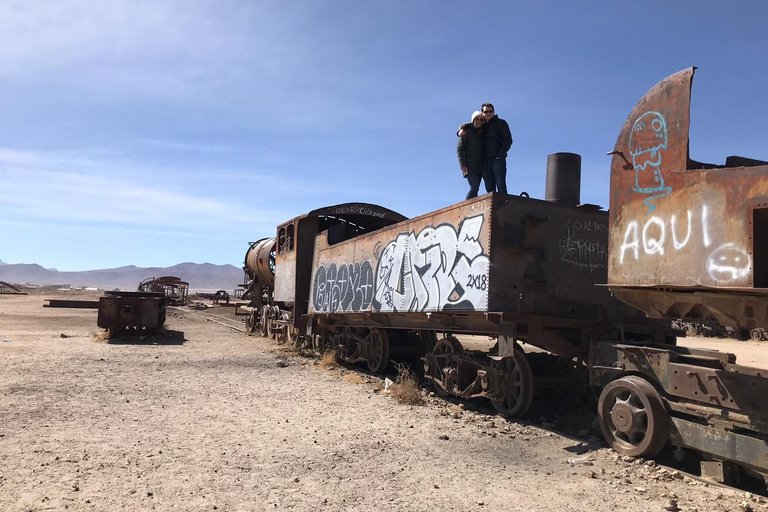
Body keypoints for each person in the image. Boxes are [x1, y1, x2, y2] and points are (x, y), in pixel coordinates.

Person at [480, 103, 513, 194]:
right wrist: (460, 131)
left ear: (493, 112)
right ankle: (493, 207)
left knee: (501, 185)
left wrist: (500, 155)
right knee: (489, 188)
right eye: (486, 111)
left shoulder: (501, 123)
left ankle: (503, 207)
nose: (488, 113)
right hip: (485, 161)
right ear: (482, 112)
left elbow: (508, 140)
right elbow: (469, 129)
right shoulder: (480, 125)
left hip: (497, 160)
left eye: (490, 111)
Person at [456, 111, 486, 199]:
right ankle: (466, 209)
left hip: (480, 165)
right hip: (469, 165)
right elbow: (459, 149)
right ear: (473, 120)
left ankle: (473, 209)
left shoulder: (482, 132)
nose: (479, 121)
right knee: (474, 187)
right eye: (477, 119)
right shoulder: (466, 131)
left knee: (476, 189)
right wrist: (463, 164)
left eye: (481, 119)